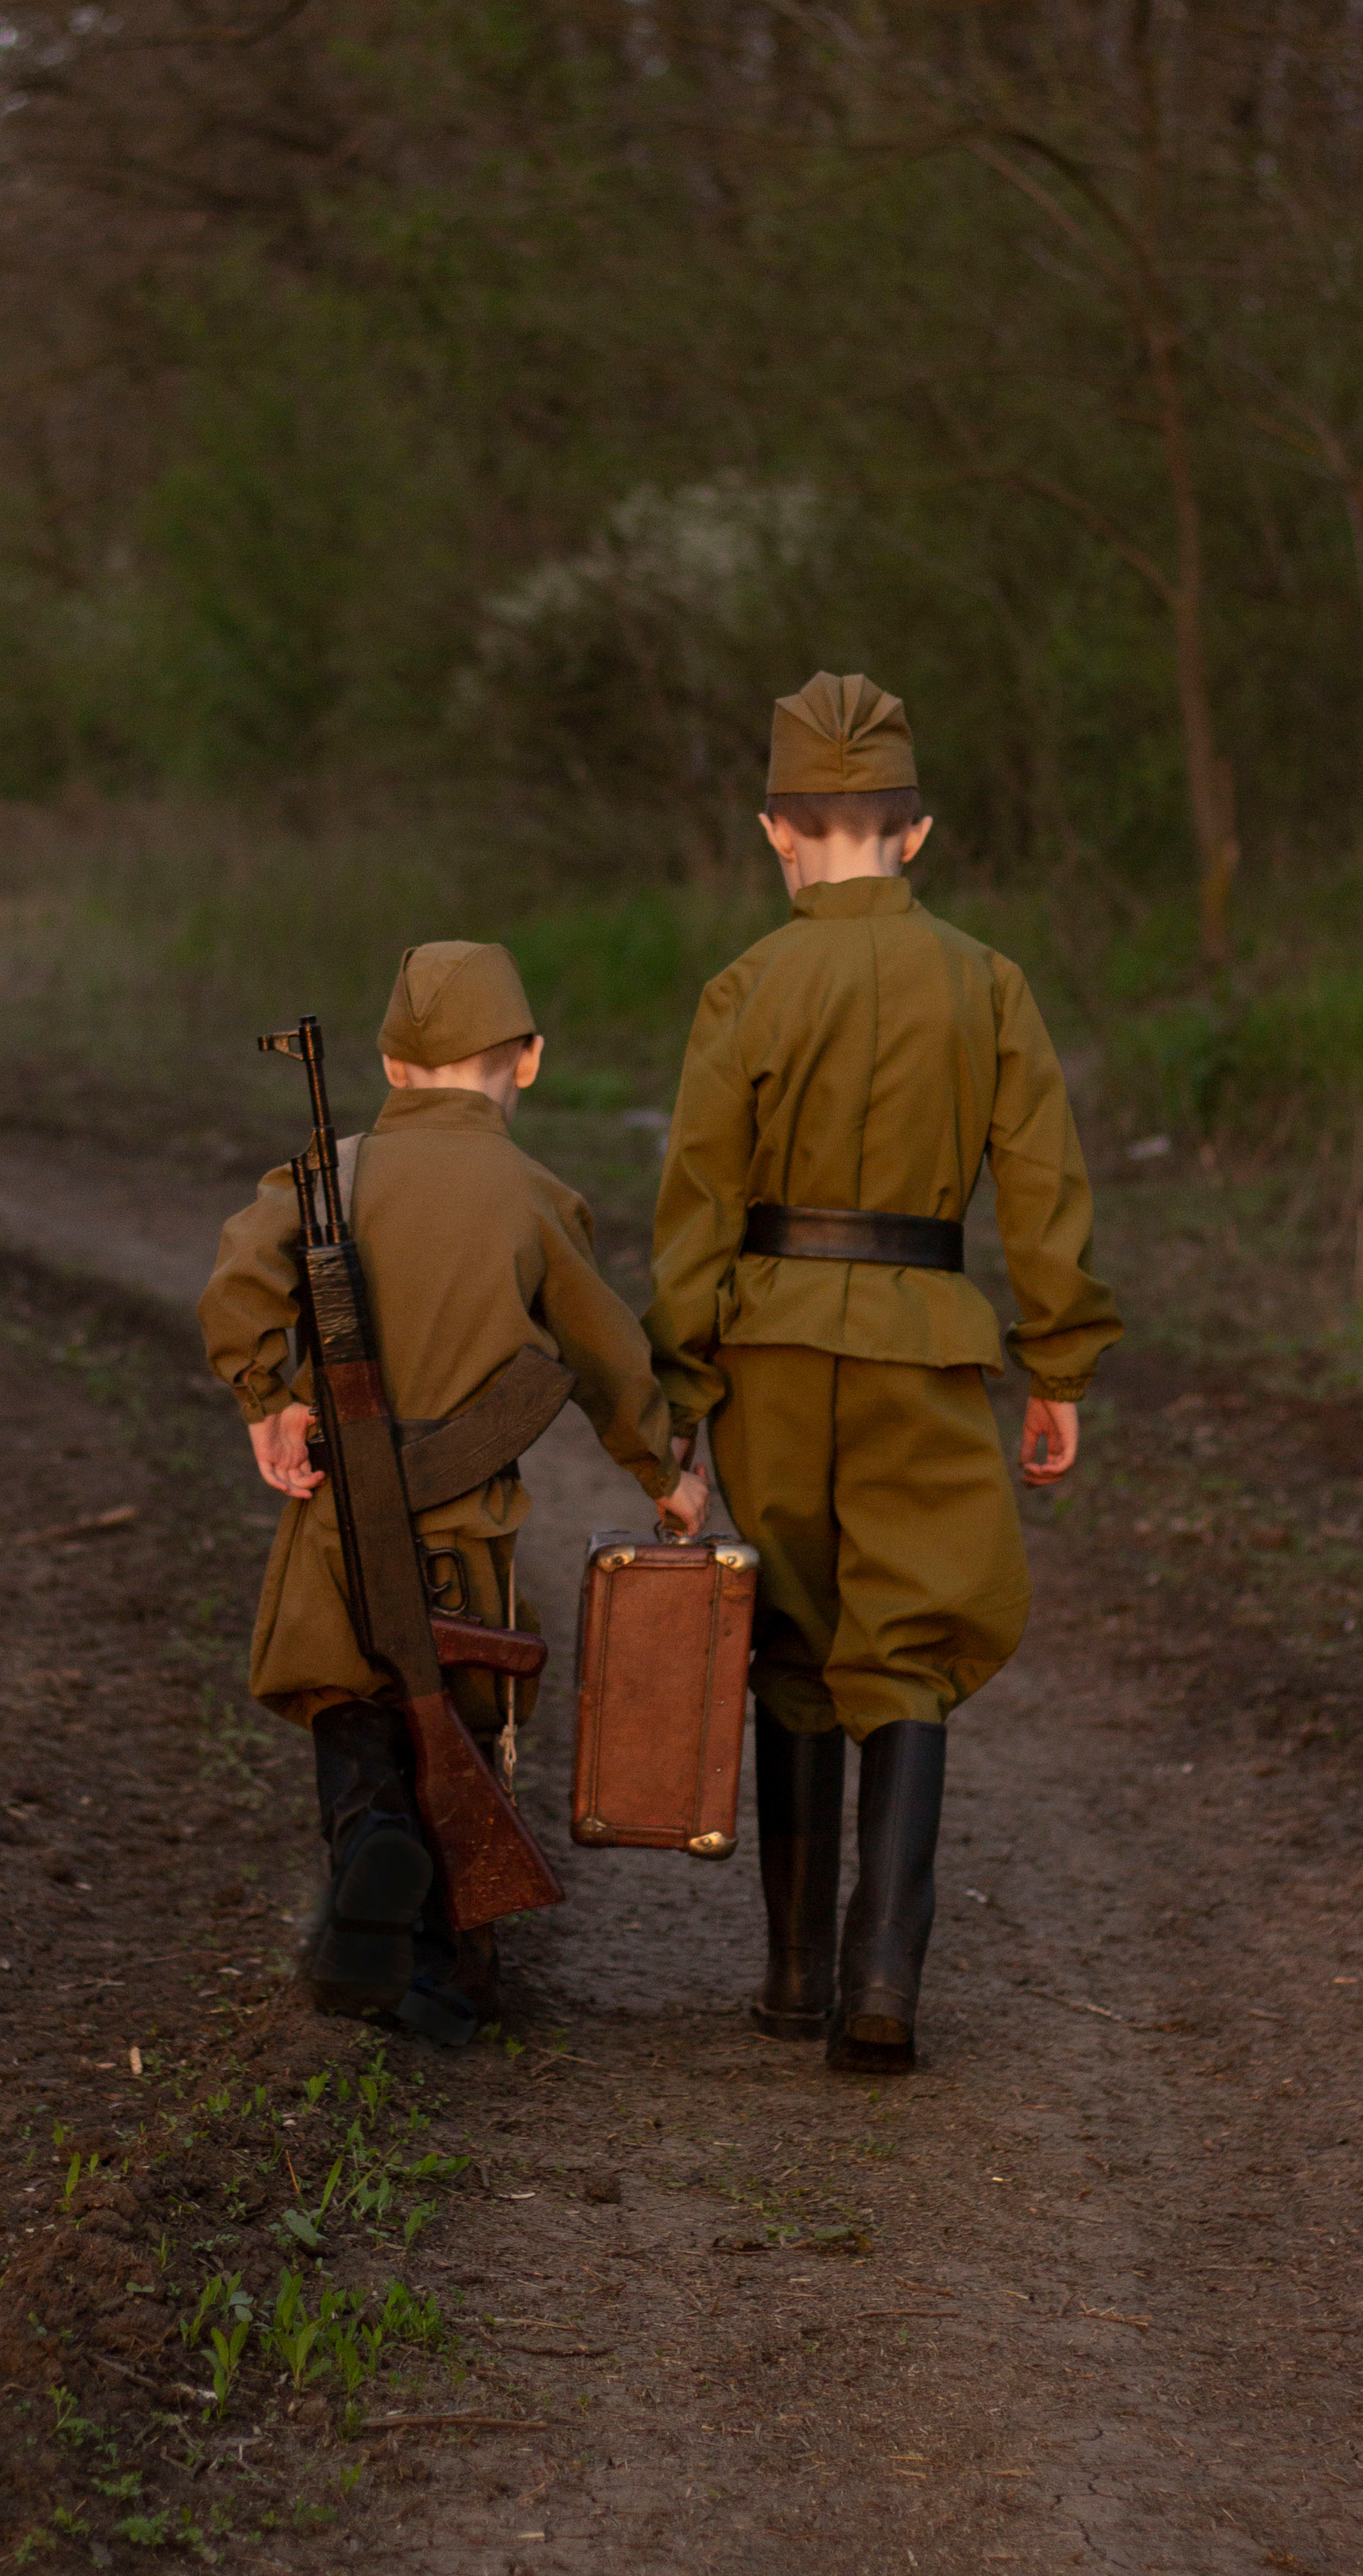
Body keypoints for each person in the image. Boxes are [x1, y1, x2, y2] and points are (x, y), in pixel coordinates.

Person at [645, 672, 1122, 2072]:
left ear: (775, 833)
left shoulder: (745, 985)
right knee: (906, 1638)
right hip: (926, 1342)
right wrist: (1059, 1365)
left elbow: (695, 1205)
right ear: (918, 835)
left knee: (790, 1636)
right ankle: (882, 1985)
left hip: (772, 1344)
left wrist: (682, 1399)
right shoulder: (987, 984)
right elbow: (1045, 1189)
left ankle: (790, 1978)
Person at [200, 938, 708, 2044]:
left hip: (339, 1530)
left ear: (389, 1066)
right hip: (465, 1541)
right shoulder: (533, 1198)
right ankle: (445, 1968)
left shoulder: (326, 1176)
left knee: (352, 1711)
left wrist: (266, 1399)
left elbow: (241, 1276)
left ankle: (365, 1878)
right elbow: (609, 1356)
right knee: (463, 1742)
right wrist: (662, 1473)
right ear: (527, 1061)